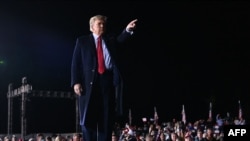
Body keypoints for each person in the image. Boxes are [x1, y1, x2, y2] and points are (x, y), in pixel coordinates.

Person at [71, 14, 137, 141]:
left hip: (107, 82)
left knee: (106, 119)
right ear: (91, 27)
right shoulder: (82, 41)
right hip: (88, 84)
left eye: (104, 24)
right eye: (99, 24)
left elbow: (120, 39)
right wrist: (76, 82)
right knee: (88, 120)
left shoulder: (110, 39)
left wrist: (128, 30)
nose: (102, 26)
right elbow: (75, 63)